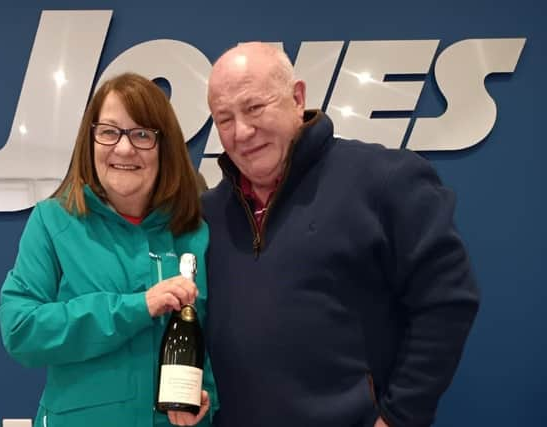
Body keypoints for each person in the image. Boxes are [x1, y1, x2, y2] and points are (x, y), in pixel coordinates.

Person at [201, 42, 480, 427]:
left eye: (254, 107)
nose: (242, 132)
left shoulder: (385, 179)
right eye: (224, 119)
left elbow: (448, 299)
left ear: (297, 98)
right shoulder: (207, 214)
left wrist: (399, 417)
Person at [0, 73, 217, 427]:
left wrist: (204, 400)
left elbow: (211, 344)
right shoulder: (53, 222)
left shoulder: (194, 234)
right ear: (91, 140)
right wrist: (137, 307)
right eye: (109, 131)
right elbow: (21, 329)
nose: (124, 149)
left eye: (142, 134)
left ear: (165, 148)